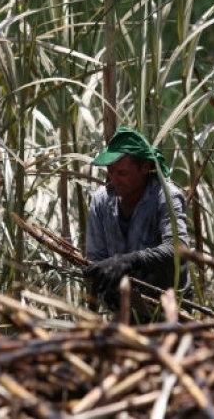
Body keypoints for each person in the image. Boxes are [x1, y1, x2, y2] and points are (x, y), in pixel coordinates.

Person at [84, 127, 190, 321]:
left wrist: (130, 260)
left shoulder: (166, 196)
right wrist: (104, 286)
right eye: (110, 172)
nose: (114, 180)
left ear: (144, 168)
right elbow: (95, 258)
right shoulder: (101, 200)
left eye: (122, 173)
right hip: (123, 309)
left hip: (168, 309)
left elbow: (178, 249)